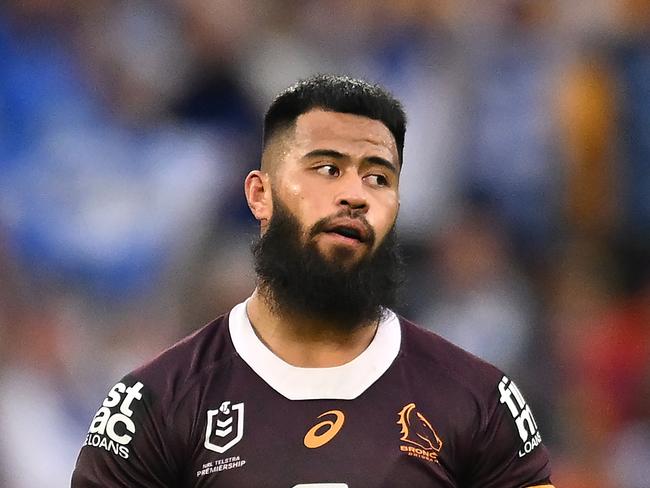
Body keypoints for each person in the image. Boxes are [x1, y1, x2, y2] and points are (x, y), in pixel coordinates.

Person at [71, 74, 554, 487]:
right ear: (260, 195)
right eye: (327, 169)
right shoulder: (154, 407)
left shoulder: (478, 401)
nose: (355, 196)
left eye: (379, 178)